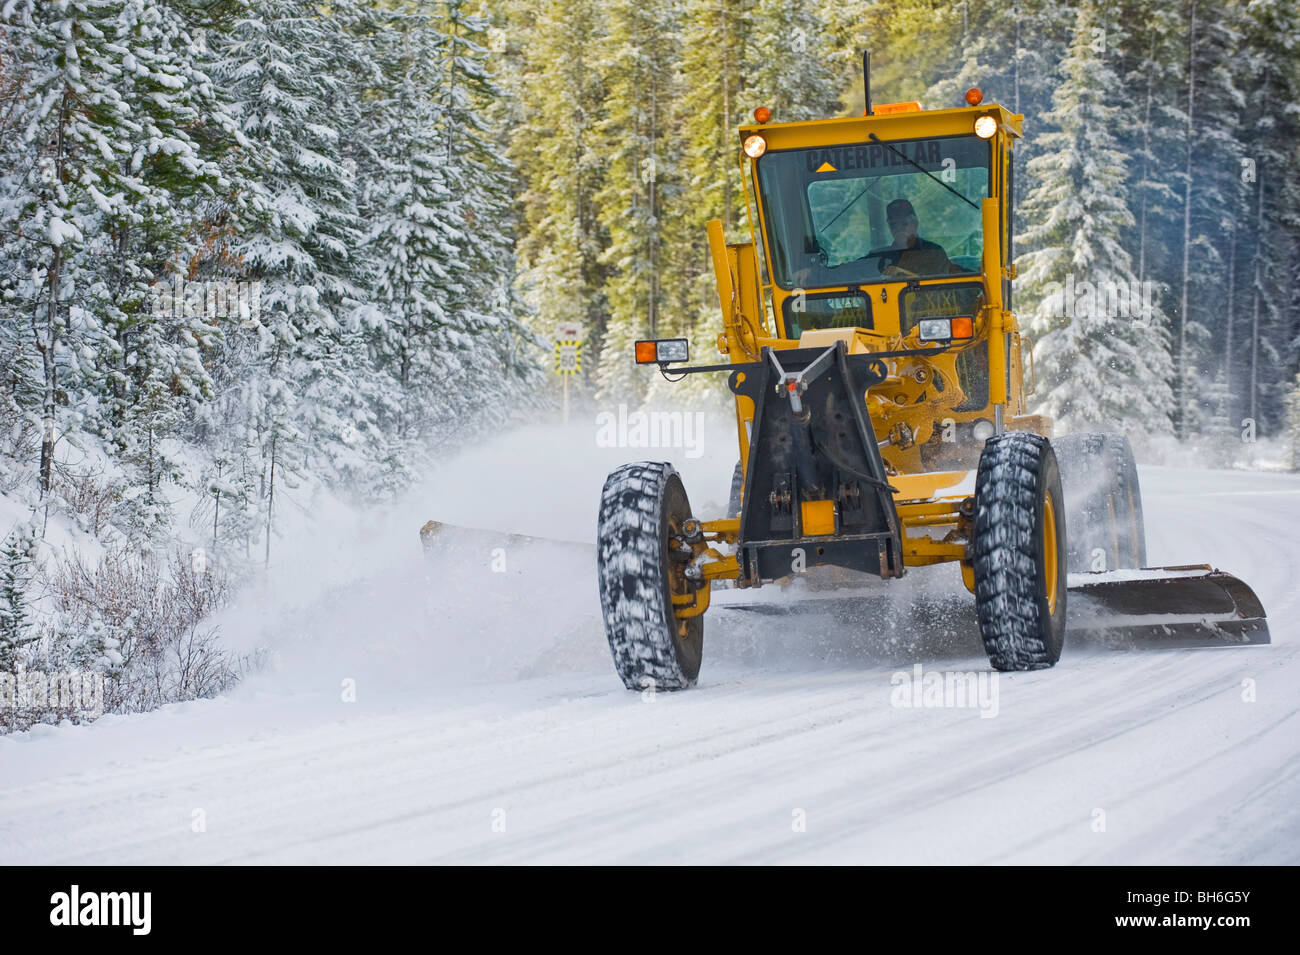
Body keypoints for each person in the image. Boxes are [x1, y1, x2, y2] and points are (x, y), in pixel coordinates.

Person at [868, 199, 958, 277]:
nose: (898, 228)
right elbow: (857, 270)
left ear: (915, 224)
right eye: (893, 225)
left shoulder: (934, 252)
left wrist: (902, 274)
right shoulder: (879, 256)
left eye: (904, 223)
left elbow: (940, 287)